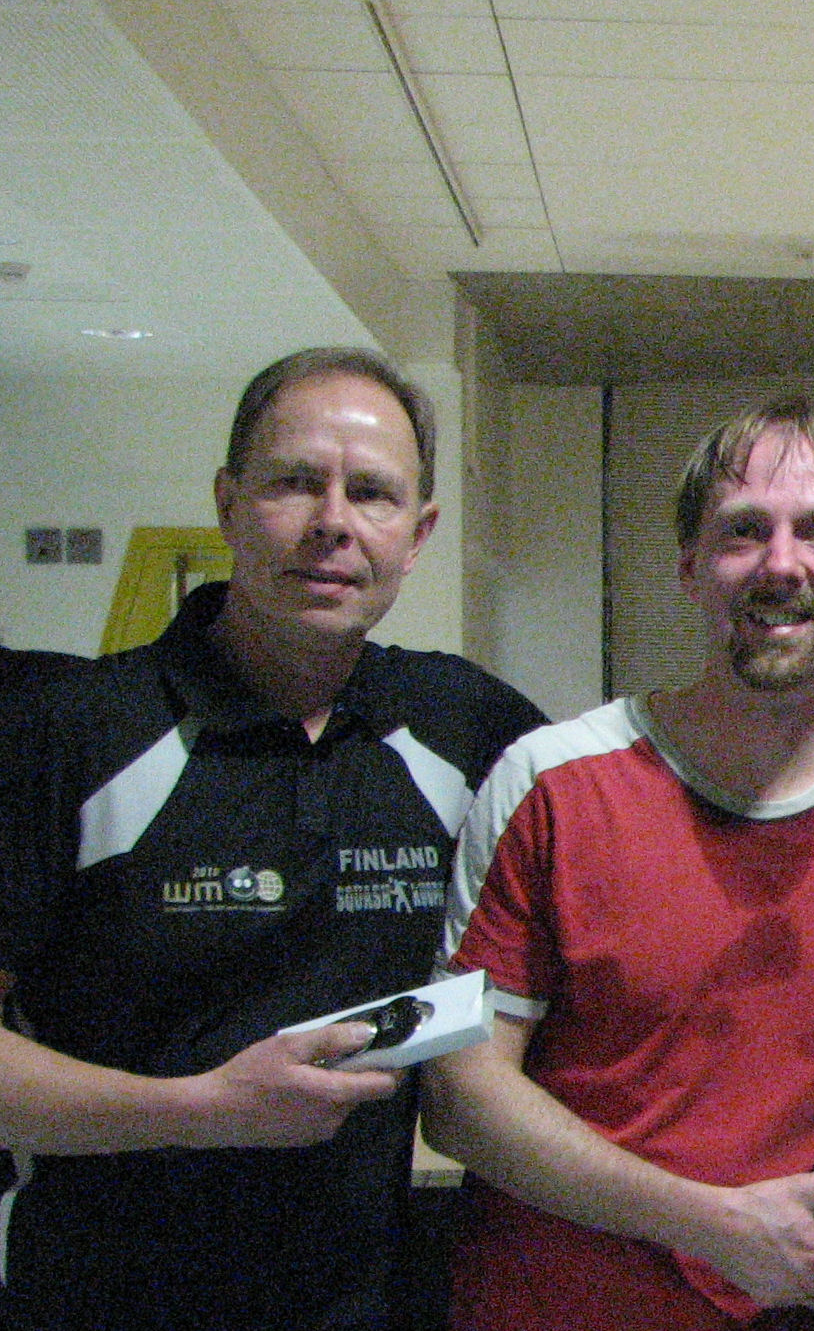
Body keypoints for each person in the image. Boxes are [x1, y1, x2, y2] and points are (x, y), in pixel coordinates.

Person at [423, 396, 814, 1331]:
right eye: (744, 530)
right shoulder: (553, 783)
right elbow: (459, 1097)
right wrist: (714, 1223)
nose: (781, 563)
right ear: (690, 566)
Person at [0, 346, 546, 1329]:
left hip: (366, 1302)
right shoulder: (72, 732)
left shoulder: (465, 725)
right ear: (227, 503)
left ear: (417, 533)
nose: (332, 521)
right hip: (97, 1302)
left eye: (371, 493)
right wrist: (202, 1109)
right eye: (295, 482)